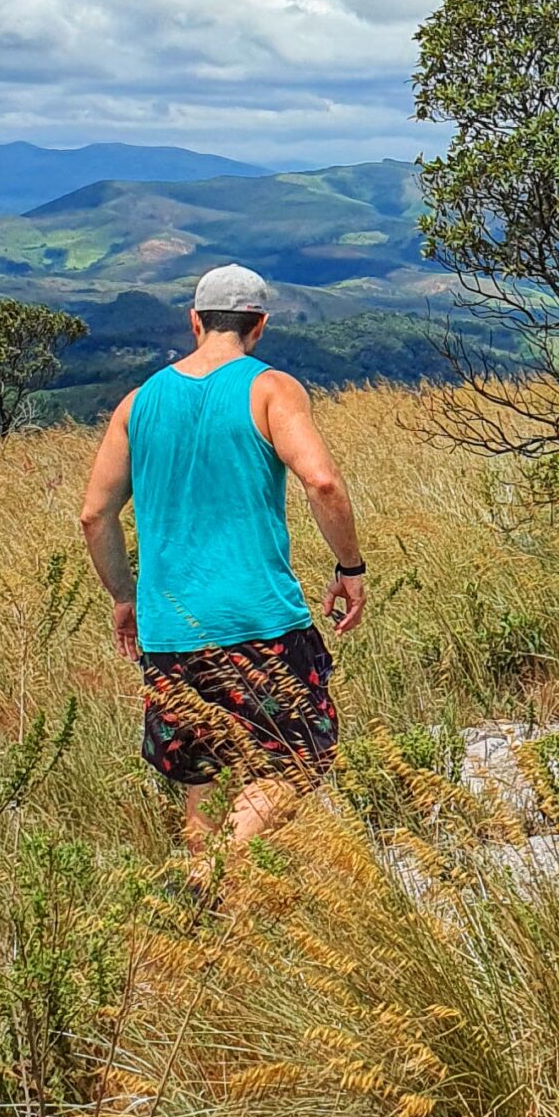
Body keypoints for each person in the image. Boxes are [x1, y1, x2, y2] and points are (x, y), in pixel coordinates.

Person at [78, 262, 368, 863]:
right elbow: (321, 481)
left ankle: (211, 912)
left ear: (194, 322)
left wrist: (125, 598)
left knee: (200, 772)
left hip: (169, 629)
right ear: (259, 325)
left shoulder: (138, 403)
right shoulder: (270, 389)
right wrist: (350, 568)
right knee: (294, 761)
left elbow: (94, 516)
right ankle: (222, 870)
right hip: (258, 623)